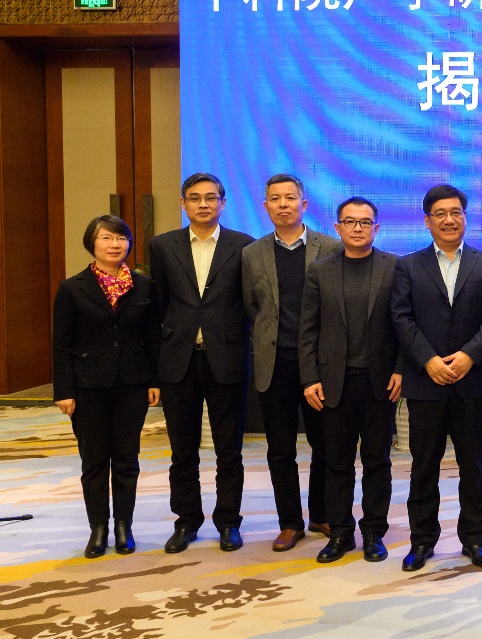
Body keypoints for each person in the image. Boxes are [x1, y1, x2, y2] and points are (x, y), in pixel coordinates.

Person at [392, 184, 482, 573]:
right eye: (440, 213)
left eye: (456, 212)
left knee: (472, 464)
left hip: (472, 381)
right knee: (424, 465)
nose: (449, 220)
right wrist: (428, 360)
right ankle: (422, 541)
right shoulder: (408, 266)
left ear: (465, 218)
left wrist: (470, 355)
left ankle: (474, 539)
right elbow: (401, 318)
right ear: (427, 221)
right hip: (426, 382)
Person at [148, 173, 254, 553]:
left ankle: (228, 522)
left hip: (226, 358)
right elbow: (160, 305)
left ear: (223, 203)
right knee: (183, 451)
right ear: (183, 204)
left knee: (229, 450)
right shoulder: (162, 246)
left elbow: (248, 303)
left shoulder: (244, 245)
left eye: (211, 197)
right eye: (195, 198)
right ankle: (186, 521)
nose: (203, 204)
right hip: (178, 360)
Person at [300, 197, 404, 563]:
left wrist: (402, 368)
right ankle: (341, 533)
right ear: (338, 227)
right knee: (337, 462)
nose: (357, 228)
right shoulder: (319, 270)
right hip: (333, 382)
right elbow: (308, 329)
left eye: (365, 222)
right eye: (350, 221)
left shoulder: (394, 267)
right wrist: (309, 377)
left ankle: (374, 531)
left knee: (377, 461)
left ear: (377, 228)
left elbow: (405, 324)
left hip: (380, 382)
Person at [243, 174, 342, 552]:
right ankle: (289, 523)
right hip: (276, 363)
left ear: (304, 203)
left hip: (319, 364)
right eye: (275, 198)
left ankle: (321, 513)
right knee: (280, 449)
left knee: (325, 445)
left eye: (290, 197)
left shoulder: (330, 247)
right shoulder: (252, 254)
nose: (283, 204)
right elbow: (253, 307)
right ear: (265, 206)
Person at [52, 216, 161, 557]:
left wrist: (155, 380)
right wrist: (64, 390)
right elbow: (61, 344)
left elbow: (153, 337)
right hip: (87, 386)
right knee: (95, 460)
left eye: (120, 238)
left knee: (127, 459)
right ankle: (98, 528)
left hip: (133, 383)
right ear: (92, 243)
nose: (114, 244)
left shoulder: (143, 286)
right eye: (106, 238)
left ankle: (124, 526)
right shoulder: (72, 288)